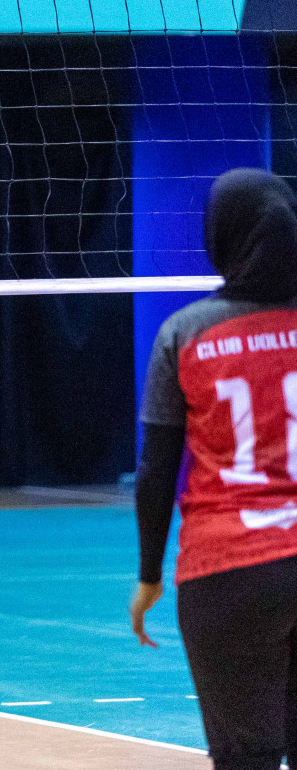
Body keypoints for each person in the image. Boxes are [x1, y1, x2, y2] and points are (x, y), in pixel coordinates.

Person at [132, 168, 297, 770]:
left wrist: (149, 574)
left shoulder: (186, 333)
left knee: (246, 759)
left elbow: (156, 473)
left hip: (230, 571)